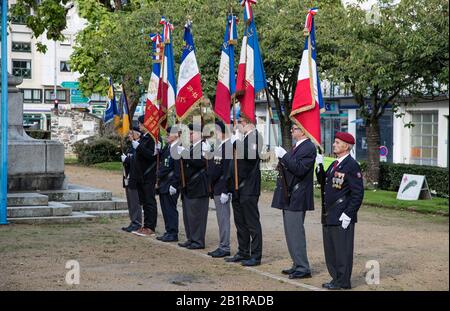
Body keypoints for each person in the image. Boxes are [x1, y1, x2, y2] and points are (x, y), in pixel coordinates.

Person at [316, 132, 364, 290]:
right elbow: (329, 184)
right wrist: (320, 168)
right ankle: (336, 278)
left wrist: (349, 214)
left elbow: (358, 194)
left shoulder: (351, 165)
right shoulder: (336, 163)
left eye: (337, 142)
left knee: (342, 250)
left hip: (342, 214)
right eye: (335, 142)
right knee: (330, 250)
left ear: (346, 146)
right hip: (329, 213)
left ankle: (343, 281)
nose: (334, 144)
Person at [272, 125, 316, 279]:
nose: (291, 131)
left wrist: (284, 156)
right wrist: (280, 161)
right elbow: (289, 167)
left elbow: (299, 169)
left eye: (295, 128)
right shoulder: (297, 146)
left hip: (297, 195)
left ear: (303, 130)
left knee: (295, 232)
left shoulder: (309, 147)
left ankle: (303, 267)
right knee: (290, 233)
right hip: (289, 194)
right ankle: (296, 264)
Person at [225, 115, 263, 267]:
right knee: (240, 222)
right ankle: (243, 251)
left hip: (248, 187)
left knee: (252, 223)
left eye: (238, 122)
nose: (236, 126)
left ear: (246, 123)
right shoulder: (244, 139)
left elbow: (251, 156)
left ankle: (256, 255)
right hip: (237, 187)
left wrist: (237, 143)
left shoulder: (255, 137)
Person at [177, 123, 210, 250]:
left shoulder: (203, 146)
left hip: (199, 185)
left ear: (200, 134)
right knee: (188, 215)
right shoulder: (191, 147)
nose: (189, 135)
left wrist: (184, 154)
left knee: (197, 215)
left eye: (192, 133)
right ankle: (191, 238)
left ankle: (198, 240)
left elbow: (200, 162)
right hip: (188, 185)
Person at [207, 121, 232, 258]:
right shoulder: (219, 146)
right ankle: (222, 244)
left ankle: (225, 247)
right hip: (216, 187)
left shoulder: (227, 146)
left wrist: (225, 190)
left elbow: (227, 171)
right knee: (220, 219)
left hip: (222, 187)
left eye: (216, 131)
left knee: (223, 219)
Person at [131, 115, 159, 237]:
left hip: (149, 174)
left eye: (141, 124)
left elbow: (151, 156)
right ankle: (146, 225)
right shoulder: (144, 137)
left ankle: (150, 226)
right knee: (144, 201)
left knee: (149, 201)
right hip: (141, 175)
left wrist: (139, 147)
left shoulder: (152, 139)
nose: (139, 126)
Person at [156, 126, 181, 242]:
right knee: (165, 208)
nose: (166, 135)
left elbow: (178, 169)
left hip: (171, 182)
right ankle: (168, 230)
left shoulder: (178, 148)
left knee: (171, 208)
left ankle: (173, 232)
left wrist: (175, 184)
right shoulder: (168, 147)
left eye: (169, 133)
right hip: (164, 181)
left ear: (176, 135)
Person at [120, 127, 143, 233]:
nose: (129, 135)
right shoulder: (131, 146)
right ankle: (133, 221)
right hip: (128, 176)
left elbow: (138, 160)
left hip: (135, 177)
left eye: (131, 133)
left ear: (137, 135)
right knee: (130, 202)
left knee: (135, 202)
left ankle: (137, 222)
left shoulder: (139, 146)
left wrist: (127, 159)